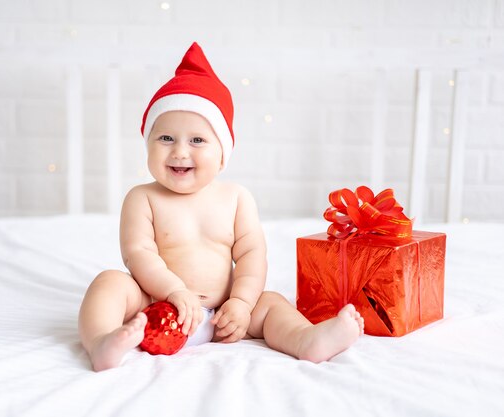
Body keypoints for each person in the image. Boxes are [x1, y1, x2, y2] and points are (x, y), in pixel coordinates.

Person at [78, 42, 364, 372]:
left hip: (224, 314)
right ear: (148, 144)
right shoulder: (142, 198)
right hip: (157, 306)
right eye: (166, 138)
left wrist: (242, 303)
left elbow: (251, 254)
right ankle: (101, 341)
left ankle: (306, 339)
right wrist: (174, 291)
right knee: (110, 283)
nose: (180, 151)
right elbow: (138, 254)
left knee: (271, 303)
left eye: (197, 140)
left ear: (223, 153)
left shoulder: (236, 198)